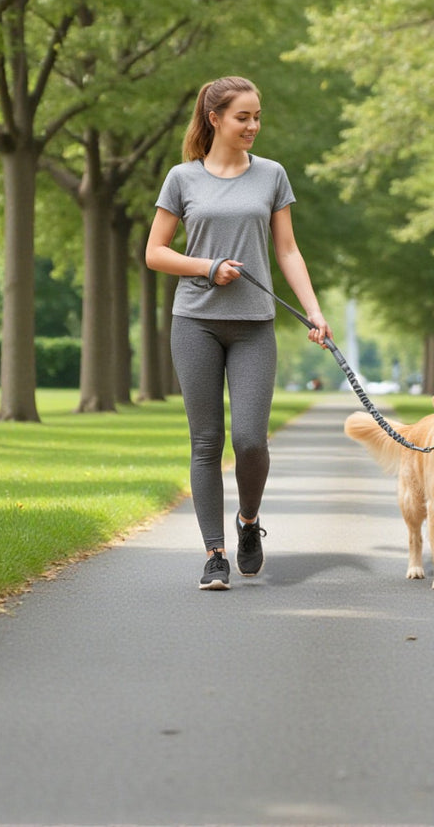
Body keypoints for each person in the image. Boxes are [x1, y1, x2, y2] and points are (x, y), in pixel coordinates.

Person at [145, 76, 332, 590]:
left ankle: (248, 521)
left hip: (254, 326)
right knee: (206, 441)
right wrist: (207, 267)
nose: (253, 126)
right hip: (195, 321)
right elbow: (155, 252)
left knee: (250, 440)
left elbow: (287, 250)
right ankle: (214, 554)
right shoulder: (182, 178)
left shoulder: (271, 175)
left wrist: (314, 311)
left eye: (257, 117)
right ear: (215, 119)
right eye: (242, 117)